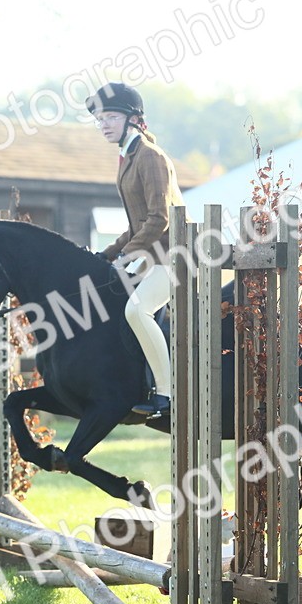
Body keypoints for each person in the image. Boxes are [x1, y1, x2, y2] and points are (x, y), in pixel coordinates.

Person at [85, 82, 184, 418]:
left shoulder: (151, 157)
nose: (104, 125)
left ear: (133, 119)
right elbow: (135, 223)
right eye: (100, 119)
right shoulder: (129, 156)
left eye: (111, 116)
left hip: (174, 257)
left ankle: (166, 397)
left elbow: (161, 218)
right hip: (150, 256)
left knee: (136, 311)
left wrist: (130, 254)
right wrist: (108, 254)